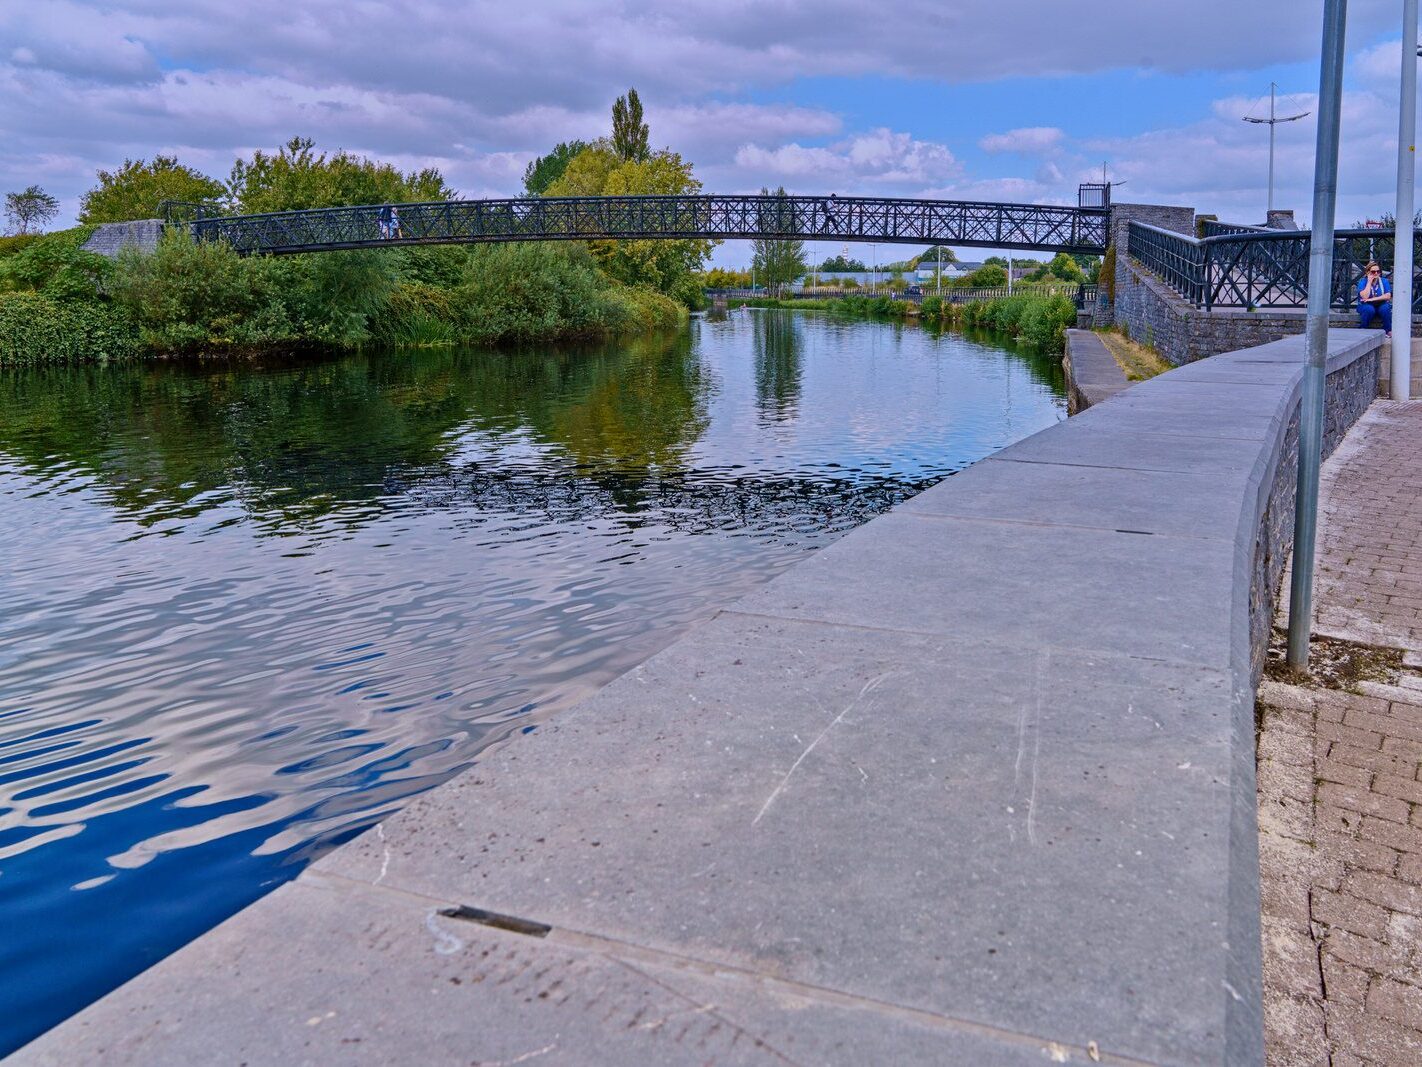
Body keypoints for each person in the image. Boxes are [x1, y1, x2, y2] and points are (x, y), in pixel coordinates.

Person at [1358, 260, 1393, 336]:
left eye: (1378, 271)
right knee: (1369, 310)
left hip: (1381, 304)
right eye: (1373, 272)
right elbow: (1364, 296)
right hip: (1366, 304)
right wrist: (1369, 282)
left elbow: (1387, 296)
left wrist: (1372, 299)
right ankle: (1363, 329)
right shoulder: (1363, 281)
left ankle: (1387, 330)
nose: (1376, 273)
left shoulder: (1384, 281)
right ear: (1368, 272)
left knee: (1385, 308)